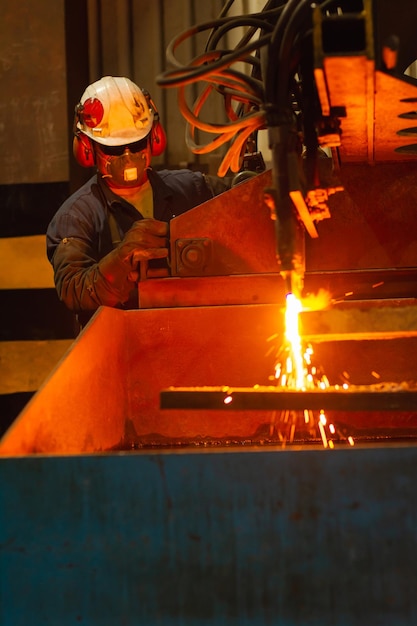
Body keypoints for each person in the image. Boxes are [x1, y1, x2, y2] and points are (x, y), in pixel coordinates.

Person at [46, 76, 229, 328]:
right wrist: (119, 262)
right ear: (88, 148)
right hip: (122, 348)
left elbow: (245, 198)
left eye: (136, 143)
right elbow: (73, 289)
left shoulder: (192, 189)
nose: (128, 155)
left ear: (153, 137)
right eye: (114, 149)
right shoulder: (77, 216)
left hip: (191, 333)